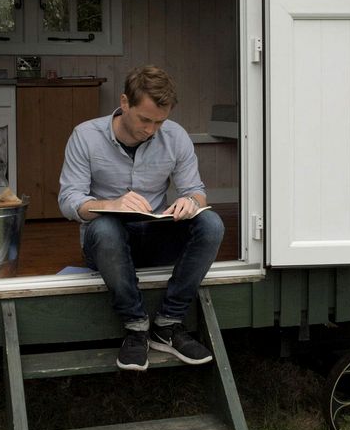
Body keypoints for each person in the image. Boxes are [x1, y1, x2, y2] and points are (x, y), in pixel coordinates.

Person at [58, 65, 225, 372]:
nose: (151, 129)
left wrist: (189, 203)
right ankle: (136, 327)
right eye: (144, 119)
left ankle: (168, 324)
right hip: (107, 243)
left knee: (211, 223)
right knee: (106, 227)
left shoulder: (175, 137)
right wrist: (112, 204)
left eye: (159, 122)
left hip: (155, 237)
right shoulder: (85, 136)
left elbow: (197, 191)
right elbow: (69, 202)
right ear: (125, 103)